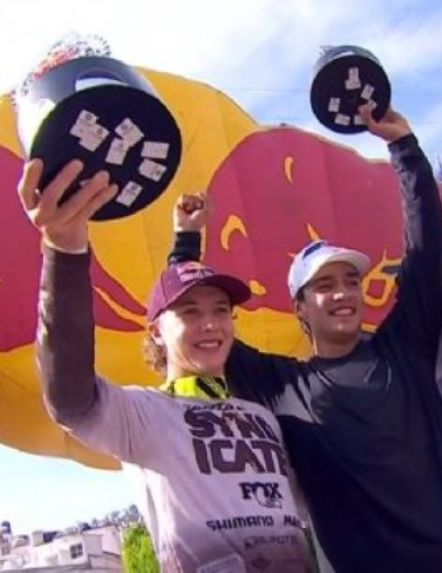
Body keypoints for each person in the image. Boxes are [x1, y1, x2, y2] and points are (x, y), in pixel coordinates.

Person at [171, 104, 442, 572]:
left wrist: (405, 148)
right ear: (300, 306)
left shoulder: (403, 347)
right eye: (325, 286)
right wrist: (186, 242)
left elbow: (425, 247)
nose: (344, 292)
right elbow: (194, 325)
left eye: (351, 281)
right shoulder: (281, 385)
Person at [19, 160, 314, 572]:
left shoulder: (263, 417)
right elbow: (69, 396)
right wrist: (65, 251)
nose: (210, 323)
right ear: (156, 330)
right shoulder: (143, 415)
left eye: (221, 310)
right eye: (190, 312)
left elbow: (320, 504)